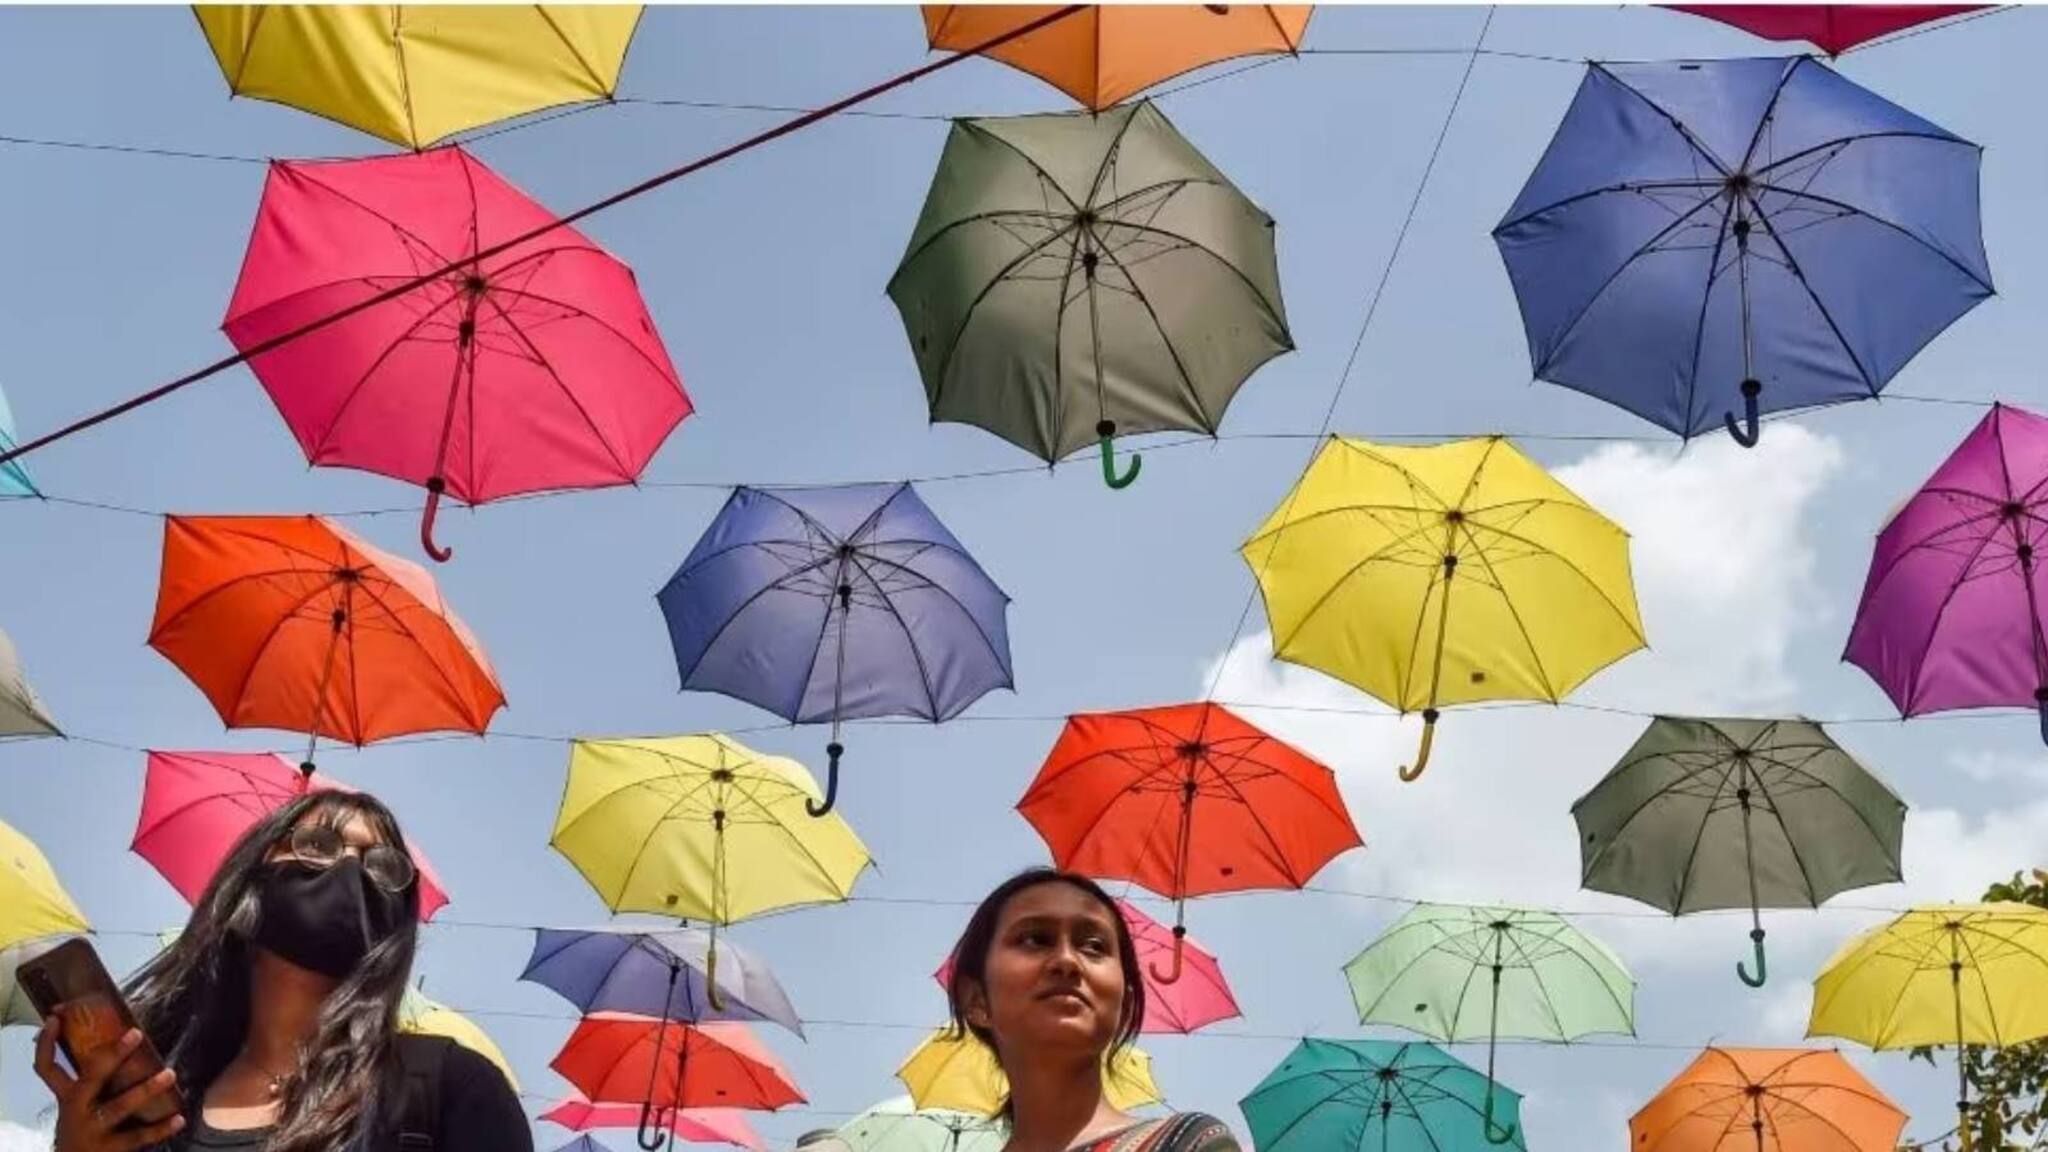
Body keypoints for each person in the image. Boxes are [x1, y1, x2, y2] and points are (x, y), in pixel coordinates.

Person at [33, 790, 531, 1152]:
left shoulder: (451, 1087)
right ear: (251, 882)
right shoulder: (161, 1108)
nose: (350, 870)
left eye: (383, 866)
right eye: (317, 845)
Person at [946, 868, 1240, 1152]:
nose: (1067, 960)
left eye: (1094, 946)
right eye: (1035, 939)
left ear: (1125, 1005)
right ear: (976, 999)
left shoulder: (1187, 1141)